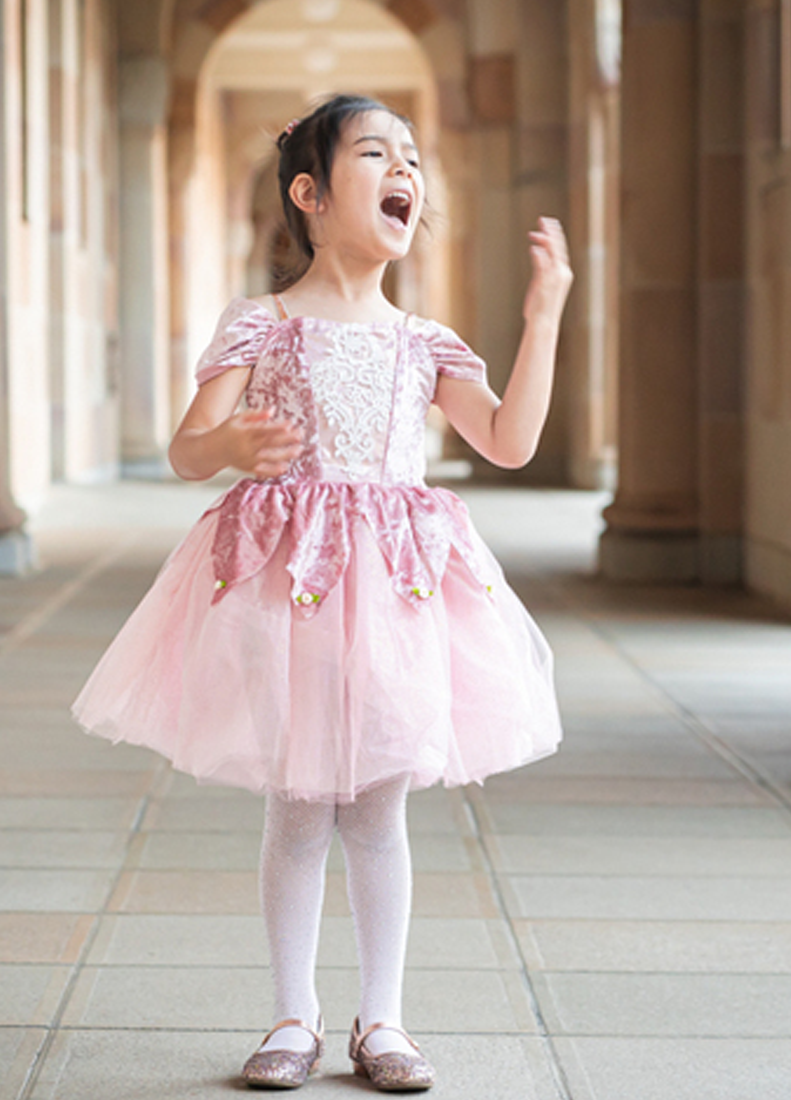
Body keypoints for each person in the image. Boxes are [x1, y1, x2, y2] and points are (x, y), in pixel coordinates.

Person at [72, 93, 572, 1091]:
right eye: (375, 152)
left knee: (376, 807)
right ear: (308, 192)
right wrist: (230, 444)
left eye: (413, 159)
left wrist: (544, 314)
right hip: (283, 584)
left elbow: (508, 441)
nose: (405, 171)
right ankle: (291, 1013)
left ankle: (381, 1017)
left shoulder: (423, 343)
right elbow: (184, 447)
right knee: (300, 805)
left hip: (392, 592)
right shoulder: (261, 324)